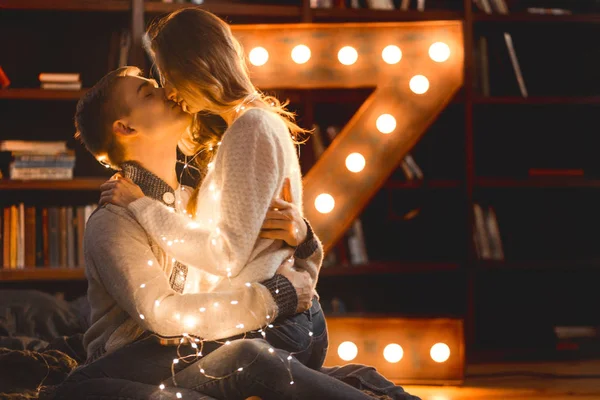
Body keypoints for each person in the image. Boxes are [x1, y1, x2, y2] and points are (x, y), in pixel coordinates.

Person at [50, 67, 419, 400]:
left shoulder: (193, 202)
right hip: (133, 364)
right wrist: (278, 296)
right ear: (126, 128)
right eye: (149, 93)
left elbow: (267, 277)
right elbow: (162, 314)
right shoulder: (113, 221)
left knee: (356, 374)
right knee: (250, 359)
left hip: (199, 346)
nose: (168, 91)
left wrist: (300, 239)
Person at [98, 7, 327, 370]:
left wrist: (141, 206)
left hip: (270, 328)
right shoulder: (250, 125)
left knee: (131, 372)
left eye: (169, 77)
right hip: (273, 321)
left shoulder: (250, 129)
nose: (170, 93)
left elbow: (224, 256)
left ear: (197, 67)